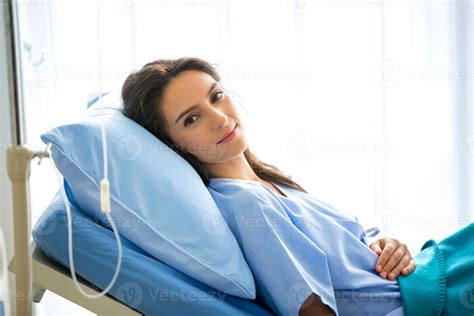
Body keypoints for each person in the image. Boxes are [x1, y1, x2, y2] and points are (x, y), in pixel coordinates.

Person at [121, 57, 474, 316]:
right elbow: (313, 310)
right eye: (192, 118)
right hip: (415, 304)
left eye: (215, 96)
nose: (219, 118)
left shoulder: (269, 181)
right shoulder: (246, 205)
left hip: (419, 278)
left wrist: (385, 246)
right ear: (172, 145)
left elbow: (348, 253)